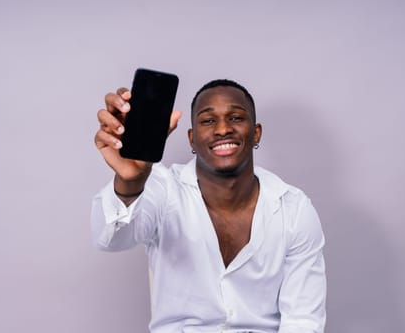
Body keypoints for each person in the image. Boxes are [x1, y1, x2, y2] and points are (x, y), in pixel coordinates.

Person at [92, 79, 327, 333]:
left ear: (256, 133)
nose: (223, 129)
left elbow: (303, 322)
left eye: (236, 117)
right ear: (192, 139)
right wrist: (131, 182)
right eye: (208, 120)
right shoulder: (164, 189)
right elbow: (111, 239)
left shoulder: (293, 208)